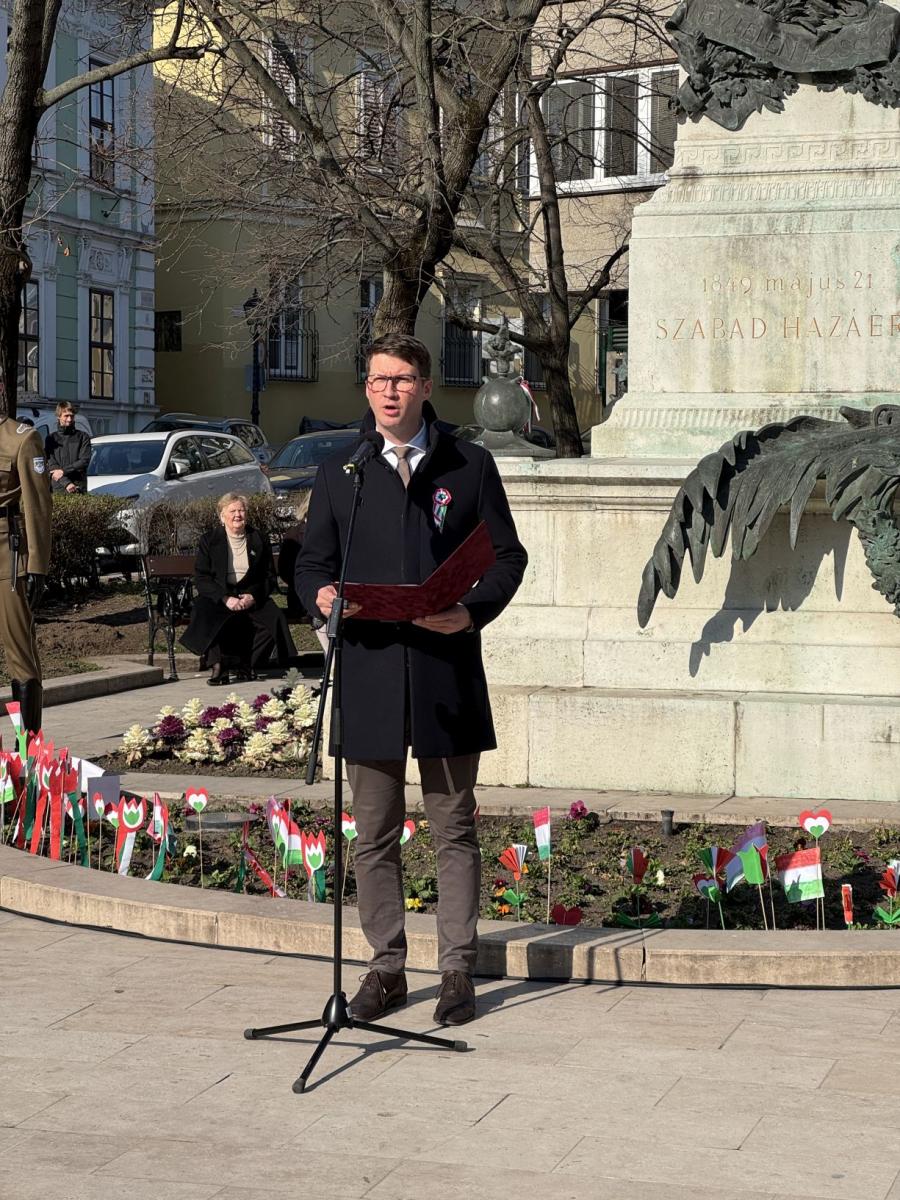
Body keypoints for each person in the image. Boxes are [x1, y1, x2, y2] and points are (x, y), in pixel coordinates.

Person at [296, 333, 527, 1026]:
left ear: (425, 387)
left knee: (453, 827)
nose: (388, 391)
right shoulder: (343, 471)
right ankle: (386, 969)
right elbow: (311, 564)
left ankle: (457, 971)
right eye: (377, 380)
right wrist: (321, 597)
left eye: (400, 379)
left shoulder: (469, 464)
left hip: (444, 671)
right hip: (368, 674)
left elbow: (508, 558)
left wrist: (470, 612)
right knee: (373, 834)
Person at [181, 493, 295, 685]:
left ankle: (246, 663)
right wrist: (225, 598)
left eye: (241, 510)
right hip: (220, 593)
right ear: (222, 516)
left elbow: (269, 576)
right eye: (232, 511)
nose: (237, 515)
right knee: (205, 612)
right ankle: (219, 665)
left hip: (249, 592)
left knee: (274, 618)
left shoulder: (258, 538)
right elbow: (202, 578)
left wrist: (253, 596)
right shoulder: (209, 540)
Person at [0, 403, 52, 735]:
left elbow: (37, 505)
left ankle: (28, 748)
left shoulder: (21, 438)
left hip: (6, 556)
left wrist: (37, 564)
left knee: (19, 654)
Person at [45, 402, 91, 494]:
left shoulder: (83, 437)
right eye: (66, 416)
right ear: (59, 416)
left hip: (78, 487)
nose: (69, 419)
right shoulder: (51, 438)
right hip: (58, 488)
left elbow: (84, 461)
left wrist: (63, 471)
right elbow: (51, 464)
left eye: (72, 416)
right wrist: (66, 483)